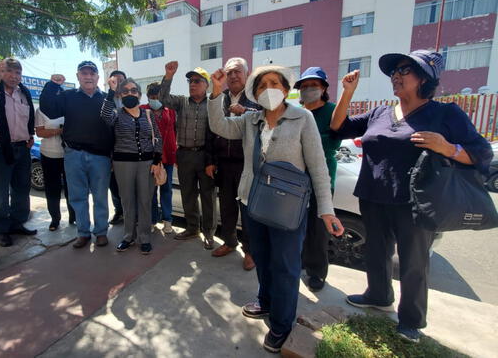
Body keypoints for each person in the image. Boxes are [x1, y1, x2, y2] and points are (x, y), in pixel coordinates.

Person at [330, 50, 492, 342]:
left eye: (405, 70)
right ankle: (378, 295)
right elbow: (338, 127)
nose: (396, 76)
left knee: (413, 261)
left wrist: (447, 147)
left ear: (425, 79)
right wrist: (347, 93)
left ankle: (411, 320)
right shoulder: (380, 112)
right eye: (394, 71)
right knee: (376, 253)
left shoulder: (445, 113)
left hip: (416, 202)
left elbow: (481, 153)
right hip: (373, 195)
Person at [207, 65, 344, 353]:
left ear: (285, 89)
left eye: (274, 83)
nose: (268, 88)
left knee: (285, 266)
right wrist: (215, 93)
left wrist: (327, 210)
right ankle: (266, 301)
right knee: (263, 258)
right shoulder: (250, 120)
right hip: (252, 201)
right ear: (255, 93)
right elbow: (219, 126)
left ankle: (281, 325)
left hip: (288, 207)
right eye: (262, 85)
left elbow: (318, 166)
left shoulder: (302, 117)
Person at [40, 61, 113, 249]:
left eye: (92, 73)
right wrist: (52, 85)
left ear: (98, 77)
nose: (88, 76)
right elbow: (48, 109)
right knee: (77, 197)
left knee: (100, 197)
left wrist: (112, 156)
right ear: (78, 76)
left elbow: (114, 129)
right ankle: (83, 233)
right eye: (84, 73)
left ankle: (101, 232)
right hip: (74, 155)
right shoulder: (67, 96)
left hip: (100, 157)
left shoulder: (107, 99)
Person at [101, 77, 163, 254]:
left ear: (139, 94)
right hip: (123, 164)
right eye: (125, 91)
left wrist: (157, 161)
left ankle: (144, 238)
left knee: (145, 201)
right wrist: (111, 92)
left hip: (147, 164)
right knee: (128, 201)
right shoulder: (116, 114)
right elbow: (104, 116)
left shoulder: (148, 114)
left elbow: (157, 138)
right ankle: (128, 236)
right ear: (121, 95)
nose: (130, 93)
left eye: (133, 90)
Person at [209, 57, 260, 271]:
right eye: (229, 72)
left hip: (247, 165)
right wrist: (211, 161)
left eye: (237, 71)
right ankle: (229, 242)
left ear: (246, 74)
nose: (233, 76)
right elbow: (210, 129)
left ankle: (250, 251)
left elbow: (266, 118)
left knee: (247, 210)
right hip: (224, 164)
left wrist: (245, 112)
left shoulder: (256, 97)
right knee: (227, 207)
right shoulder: (219, 98)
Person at [159, 61, 217, 249]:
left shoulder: (214, 104)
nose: (192, 84)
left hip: (205, 156)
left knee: (208, 196)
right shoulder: (182, 102)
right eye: (190, 81)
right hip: (184, 155)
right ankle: (193, 228)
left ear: (206, 85)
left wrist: (213, 160)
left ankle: (209, 233)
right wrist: (168, 76)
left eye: (197, 81)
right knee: (188, 195)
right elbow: (162, 98)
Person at [294, 67, 342, 291]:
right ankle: (299, 263)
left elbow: (331, 143)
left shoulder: (333, 111)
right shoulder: (297, 112)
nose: (308, 90)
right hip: (297, 178)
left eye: (313, 86)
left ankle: (317, 272)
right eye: (304, 87)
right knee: (296, 224)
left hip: (321, 178)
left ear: (323, 88)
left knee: (318, 228)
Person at [0, 58, 37, 247]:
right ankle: (1, 229)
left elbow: (29, 117)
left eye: (18, 73)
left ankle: (17, 223)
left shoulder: (24, 93)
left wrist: (30, 135)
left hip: (23, 147)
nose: (14, 76)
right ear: (0, 71)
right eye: (9, 71)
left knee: (22, 188)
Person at [35, 95, 76, 231]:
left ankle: (73, 217)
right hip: (49, 154)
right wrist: (59, 131)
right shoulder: (41, 110)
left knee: (72, 188)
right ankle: (55, 219)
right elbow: (40, 132)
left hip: (69, 154)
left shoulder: (68, 108)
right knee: (52, 189)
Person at [140, 82, 177, 235]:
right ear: (147, 97)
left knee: (167, 189)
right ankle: (152, 220)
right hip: (149, 157)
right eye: (152, 97)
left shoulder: (171, 111)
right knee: (150, 191)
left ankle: (167, 220)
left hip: (167, 155)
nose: (155, 100)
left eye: (157, 97)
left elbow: (174, 132)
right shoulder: (142, 110)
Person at [108, 70, 127, 225]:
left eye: (122, 80)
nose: (119, 83)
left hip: (127, 150)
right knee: (114, 185)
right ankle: (119, 211)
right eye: (116, 80)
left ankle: (130, 214)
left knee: (128, 185)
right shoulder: (106, 99)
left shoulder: (131, 99)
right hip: (111, 149)